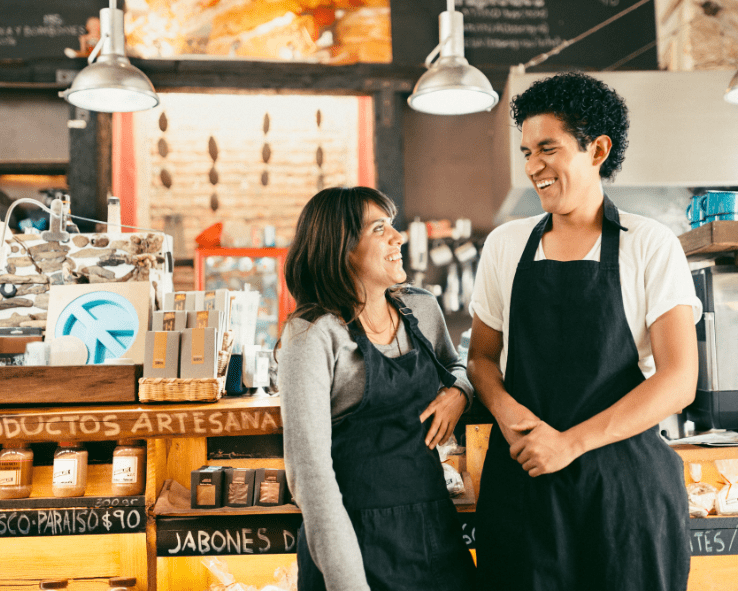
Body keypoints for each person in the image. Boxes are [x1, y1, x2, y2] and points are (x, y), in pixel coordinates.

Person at [468, 72, 701, 590]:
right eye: (526, 151)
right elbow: (482, 358)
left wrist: (569, 444)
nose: (533, 167)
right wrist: (509, 415)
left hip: (625, 496)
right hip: (525, 487)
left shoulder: (649, 244)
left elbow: (679, 379)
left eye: (547, 149)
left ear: (597, 149)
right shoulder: (506, 246)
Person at [277, 186, 476, 591]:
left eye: (393, 226)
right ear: (343, 248)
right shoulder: (313, 334)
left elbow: (461, 365)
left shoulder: (420, 307)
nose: (397, 237)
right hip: (353, 540)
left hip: (433, 529)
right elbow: (311, 479)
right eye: (379, 228)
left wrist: (460, 391)